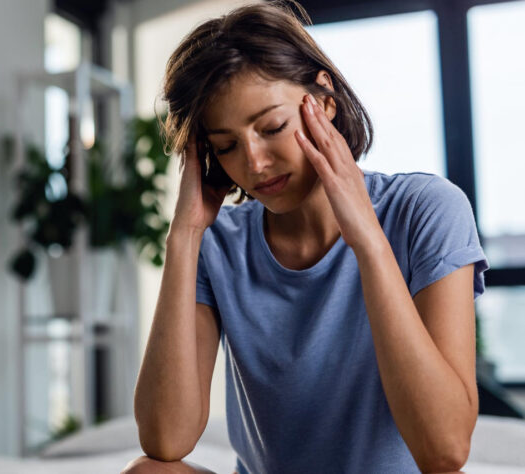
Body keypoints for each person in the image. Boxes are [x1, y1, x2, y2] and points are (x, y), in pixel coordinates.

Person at [121, 1, 489, 473]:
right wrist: (184, 236)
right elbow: (166, 438)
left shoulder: (427, 209)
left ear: (324, 103)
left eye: (272, 127)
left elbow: (445, 450)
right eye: (227, 146)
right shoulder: (219, 242)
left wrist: (368, 240)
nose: (254, 163)